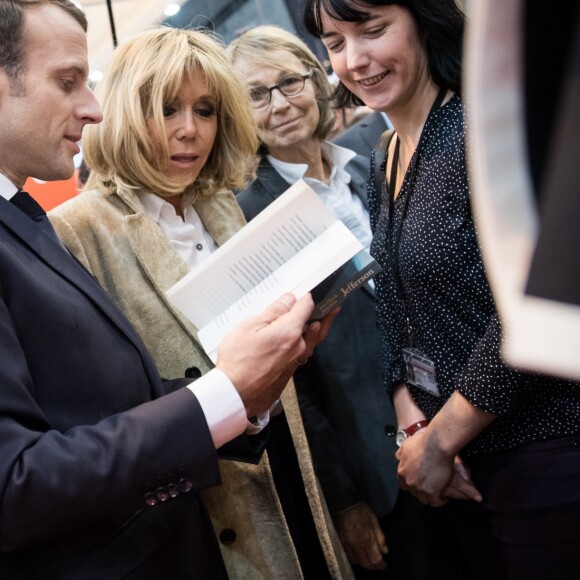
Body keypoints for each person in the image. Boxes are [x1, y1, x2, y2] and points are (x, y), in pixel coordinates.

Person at [0, 1, 335, 578]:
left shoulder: (225, 208)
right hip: (183, 524)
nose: (92, 108)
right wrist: (229, 391)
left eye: (205, 110)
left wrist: (251, 396)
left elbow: (106, 397)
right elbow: (25, 474)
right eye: (67, 81)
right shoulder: (70, 229)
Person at [304, 1, 580, 579]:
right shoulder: (386, 154)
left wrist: (440, 441)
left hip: (543, 451)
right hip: (455, 469)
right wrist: (415, 430)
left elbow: (529, 301)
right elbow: (397, 316)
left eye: (373, 31)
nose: (355, 60)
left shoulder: (486, 131)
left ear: (426, 21)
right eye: (334, 43)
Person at [227, 25, 451, 580]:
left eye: (289, 82)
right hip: (376, 469)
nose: (279, 104)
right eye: (256, 94)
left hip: (456, 422)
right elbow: (290, 381)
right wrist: (344, 499)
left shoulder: (375, 162)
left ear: (317, 81)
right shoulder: (250, 218)